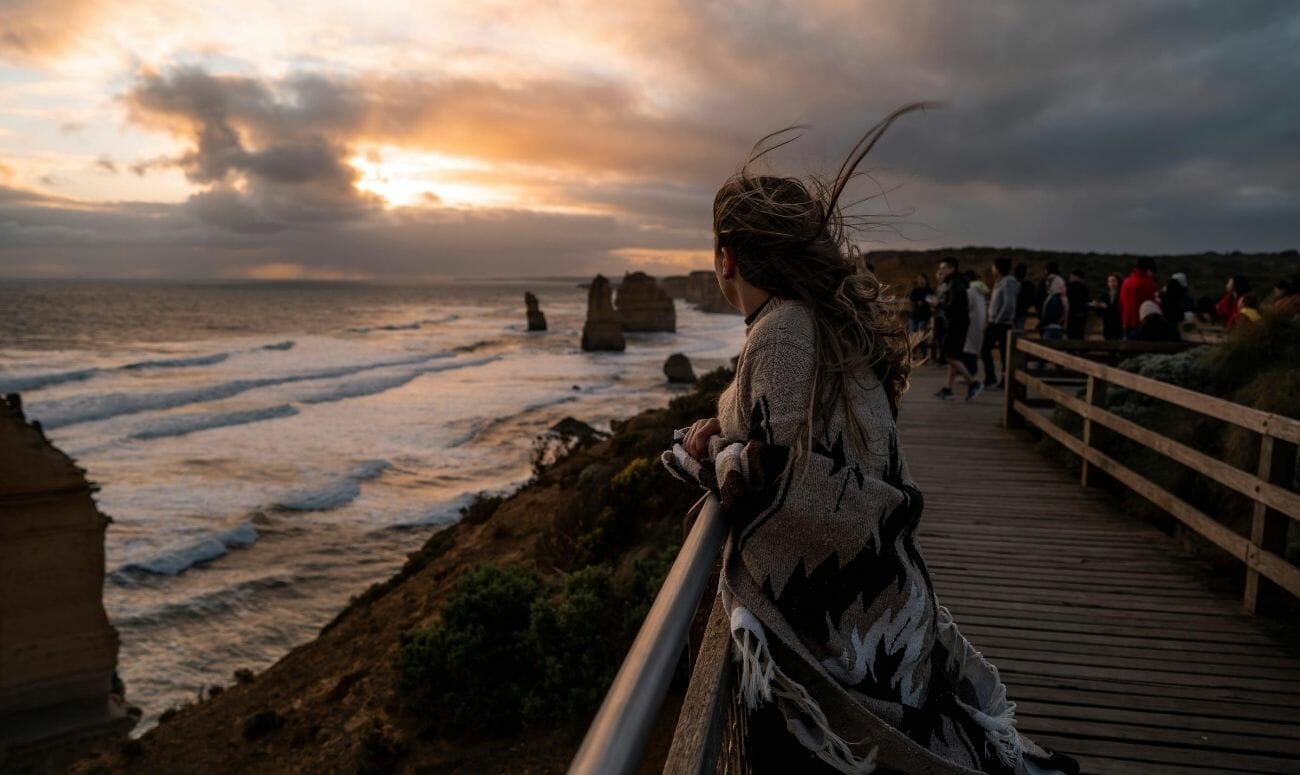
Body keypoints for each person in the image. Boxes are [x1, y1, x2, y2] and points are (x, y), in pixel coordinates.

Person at [667, 108, 1077, 775]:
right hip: (888, 605)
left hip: (845, 636)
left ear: (726, 258)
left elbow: (768, 477)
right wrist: (728, 427)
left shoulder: (782, 328)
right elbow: (787, 426)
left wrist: (701, 453)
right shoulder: (819, 323)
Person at [931, 257, 976, 399]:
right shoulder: (954, 282)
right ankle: (948, 389)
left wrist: (938, 304)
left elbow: (953, 306)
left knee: (950, 355)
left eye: (943, 267)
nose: (940, 270)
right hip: (957, 322)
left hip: (956, 323)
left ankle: (973, 383)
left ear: (952, 269)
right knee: (953, 355)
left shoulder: (955, 283)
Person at [982, 257, 1018, 388]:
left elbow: (1009, 304)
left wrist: (997, 320)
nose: (992, 269)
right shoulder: (1000, 281)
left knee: (1004, 354)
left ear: (998, 268)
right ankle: (991, 378)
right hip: (994, 322)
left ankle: (1004, 381)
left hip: (1002, 324)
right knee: (986, 350)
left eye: (993, 266)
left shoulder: (1009, 282)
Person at [1119, 257, 1157, 338]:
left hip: (1126, 322)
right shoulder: (1148, 282)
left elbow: (1121, 303)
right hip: (1141, 323)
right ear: (1148, 270)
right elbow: (1152, 304)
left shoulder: (1126, 282)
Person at [963, 272, 987, 400]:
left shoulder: (970, 290)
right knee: (972, 351)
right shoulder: (980, 290)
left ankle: (971, 380)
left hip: (971, 323)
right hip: (979, 324)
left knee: (968, 351)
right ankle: (970, 377)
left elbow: (966, 307)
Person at [1090, 273, 1123, 341]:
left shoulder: (1121, 295)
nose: (1112, 283)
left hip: (1118, 323)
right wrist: (1097, 306)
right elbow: (1100, 311)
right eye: (1110, 281)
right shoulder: (1105, 296)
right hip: (1107, 323)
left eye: (1114, 281)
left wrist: (1107, 307)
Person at [907, 274, 933, 358]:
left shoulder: (929, 290)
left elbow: (931, 301)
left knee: (921, 335)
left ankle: (924, 354)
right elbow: (911, 299)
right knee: (913, 335)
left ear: (926, 280)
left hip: (924, 316)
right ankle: (913, 354)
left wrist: (923, 303)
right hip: (914, 315)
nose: (921, 281)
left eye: (922, 279)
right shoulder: (915, 290)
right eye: (919, 279)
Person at [1038, 274, 1067, 340]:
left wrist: (1042, 323)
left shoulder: (1055, 299)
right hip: (1058, 327)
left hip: (1051, 328)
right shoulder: (1063, 298)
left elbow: (1051, 314)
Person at [1065, 269, 1089, 339]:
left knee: (1072, 335)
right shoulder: (1085, 287)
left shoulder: (1071, 286)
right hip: (1081, 315)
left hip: (1072, 314)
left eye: (1071, 276)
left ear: (1076, 277)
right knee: (1080, 334)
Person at [1013, 262, 1033, 331]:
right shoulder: (1028, 285)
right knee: (1020, 331)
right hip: (1022, 311)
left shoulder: (1011, 283)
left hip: (1013, 311)